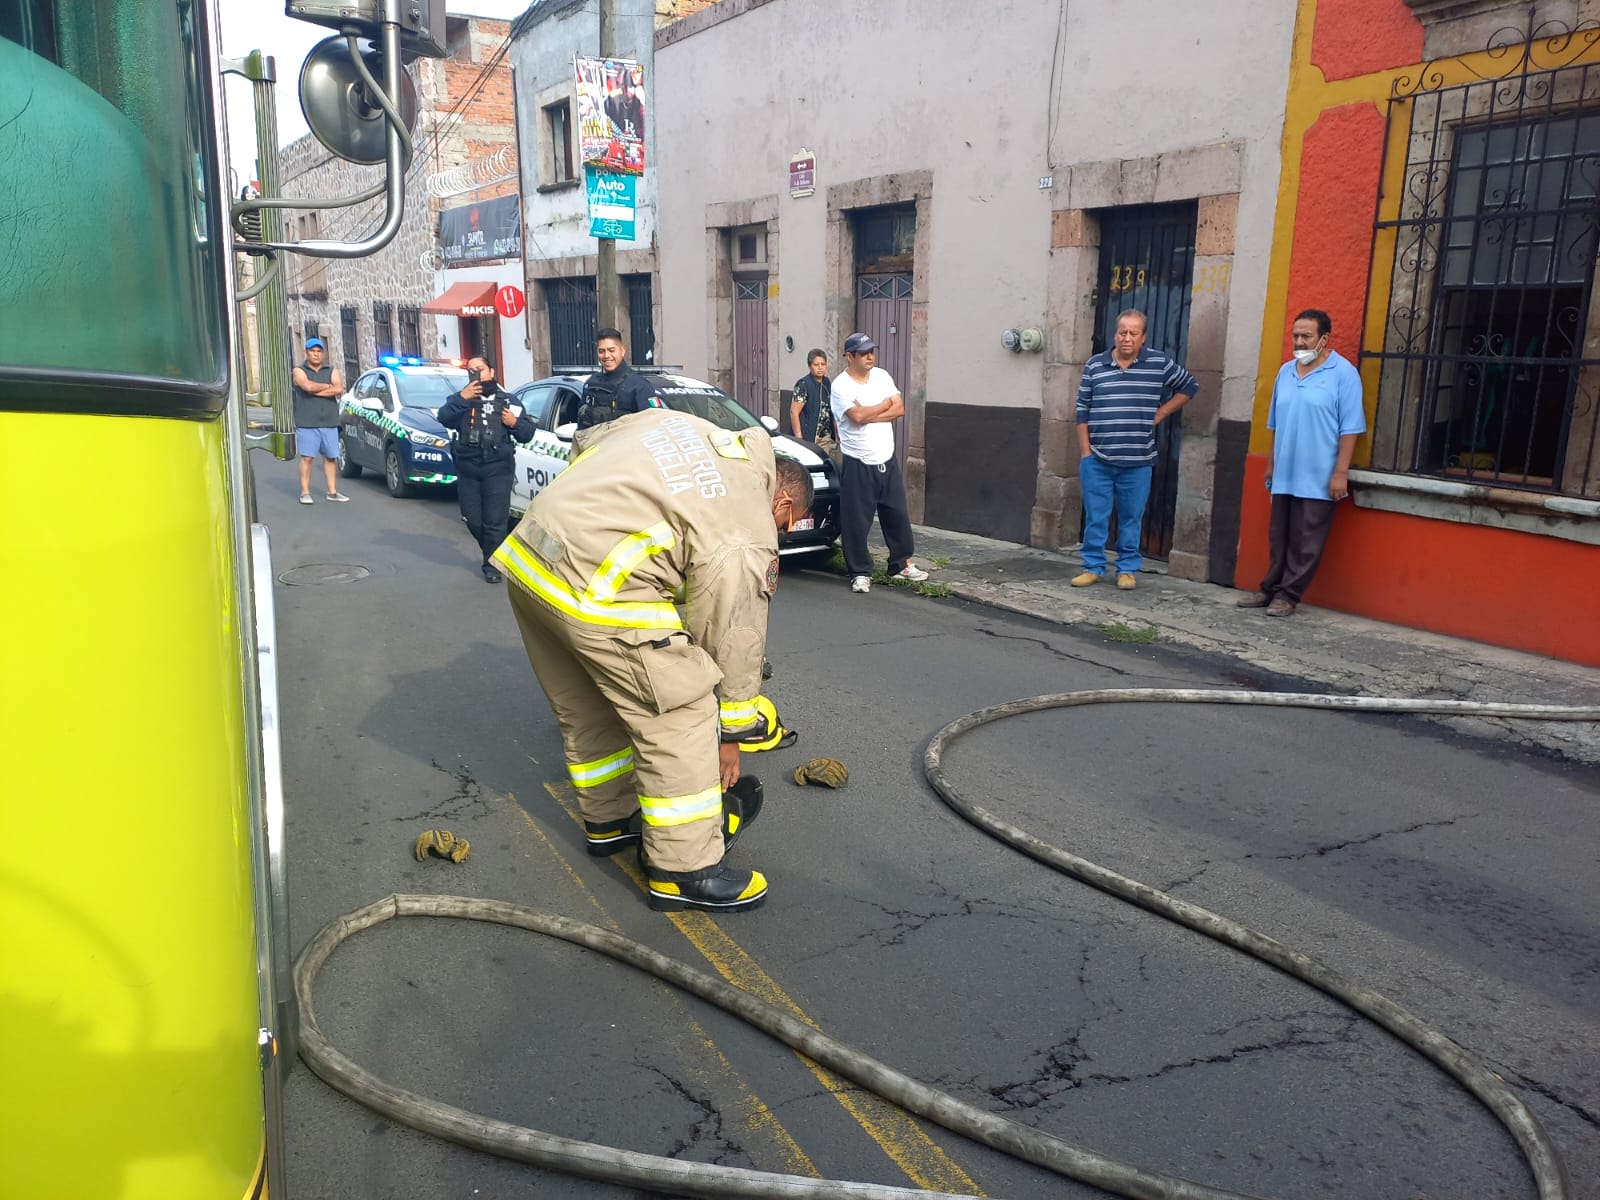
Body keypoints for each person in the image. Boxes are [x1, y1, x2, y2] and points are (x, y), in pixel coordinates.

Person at [493, 408, 814, 913]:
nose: (781, 534)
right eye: (788, 525)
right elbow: (734, 634)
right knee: (681, 710)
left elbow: (587, 443)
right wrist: (732, 734)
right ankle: (684, 873)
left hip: (533, 557)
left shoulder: (687, 428)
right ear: (784, 499)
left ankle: (612, 821)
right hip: (599, 592)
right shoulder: (746, 516)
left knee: (592, 704)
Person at [1237, 309, 1366, 617]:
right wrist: (1271, 464)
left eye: (1306, 336)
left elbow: (1351, 428)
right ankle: (1270, 588)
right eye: (1295, 335)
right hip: (1285, 471)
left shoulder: (1343, 374)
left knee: (1306, 540)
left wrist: (1340, 472)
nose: (1299, 341)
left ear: (1324, 338)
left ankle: (1289, 595)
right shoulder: (1286, 372)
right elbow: (1276, 423)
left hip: (1319, 474)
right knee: (1279, 535)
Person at [1071, 310, 1198, 590]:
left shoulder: (1158, 364)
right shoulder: (1095, 365)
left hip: (1138, 461)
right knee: (1096, 517)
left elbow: (1189, 386)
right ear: (1115, 334)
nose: (1126, 338)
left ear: (1143, 338)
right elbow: (1082, 410)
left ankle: (1126, 569)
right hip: (1098, 460)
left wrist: (1162, 412)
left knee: (1131, 519)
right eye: (1122, 332)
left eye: (1133, 333)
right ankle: (1093, 567)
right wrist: (1085, 452)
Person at [831, 332, 927, 594]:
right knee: (856, 520)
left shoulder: (882, 376)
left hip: (886, 457)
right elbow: (856, 415)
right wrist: (882, 406)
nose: (870, 356)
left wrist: (872, 411)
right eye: (863, 353)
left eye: (871, 351)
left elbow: (899, 409)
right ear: (849, 357)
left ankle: (900, 564)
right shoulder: (841, 386)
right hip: (858, 461)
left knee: (896, 513)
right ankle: (860, 572)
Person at [436, 356, 535, 583]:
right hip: (468, 467)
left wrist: (514, 423)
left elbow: (527, 434)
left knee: (495, 519)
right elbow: (443, 417)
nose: (476, 375)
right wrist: (463, 398)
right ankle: (496, 549)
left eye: (480, 370)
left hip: (498, 467)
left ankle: (491, 564)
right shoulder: (461, 399)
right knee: (472, 519)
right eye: (471, 371)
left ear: (491, 371)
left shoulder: (509, 402)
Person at [291, 337, 349, 505]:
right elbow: (306, 386)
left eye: (319, 351)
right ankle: (305, 492)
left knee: (331, 457)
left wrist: (315, 389)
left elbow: (339, 389)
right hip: (307, 422)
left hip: (329, 421)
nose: (316, 355)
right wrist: (326, 386)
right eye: (312, 351)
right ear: (306, 353)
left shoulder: (331, 370)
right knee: (307, 458)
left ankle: (332, 491)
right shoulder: (298, 370)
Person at [576, 328, 662, 431]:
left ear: (622, 351)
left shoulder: (640, 386)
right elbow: (581, 425)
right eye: (601, 351)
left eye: (612, 350)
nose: (606, 356)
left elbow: (655, 424)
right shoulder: (590, 384)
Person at [790, 348, 833, 443]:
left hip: (826, 437)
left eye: (823, 364)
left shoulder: (827, 383)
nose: (820, 367)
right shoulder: (804, 385)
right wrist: (798, 436)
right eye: (816, 365)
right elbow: (794, 412)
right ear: (810, 366)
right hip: (810, 436)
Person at [604, 68, 645, 142]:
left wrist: (643, 100)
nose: (625, 89)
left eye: (632, 86)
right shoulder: (613, 100)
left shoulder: (640, 103)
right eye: (624, 85)